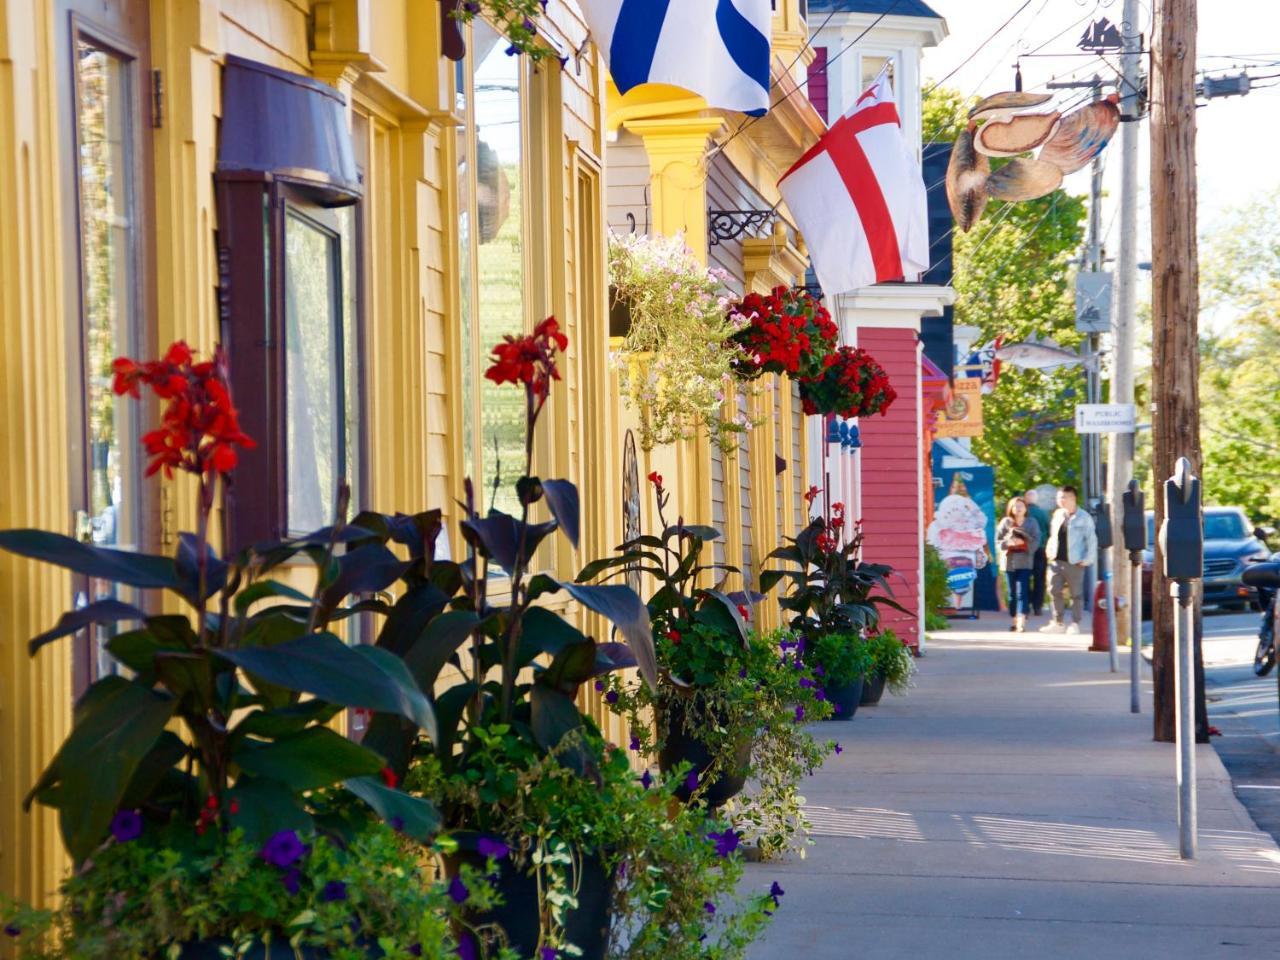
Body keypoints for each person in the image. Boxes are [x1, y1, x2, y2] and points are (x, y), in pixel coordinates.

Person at [1040, 485, 1098, 634]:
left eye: (1063, 497)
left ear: (1073, 498)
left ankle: (1075, 623)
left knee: (1076, 594)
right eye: (1059, 497)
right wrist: (1049, 551)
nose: (1060, 500)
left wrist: (1087, 559)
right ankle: (1057, 622)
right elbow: (1053, 536)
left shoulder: (1084, 517)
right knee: (1054, 590)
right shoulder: (1058, 515)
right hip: (1056, 560)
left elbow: (1091, 540)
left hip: (1075, 561)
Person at [997, 496, 1040, 632]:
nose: (1019, 508)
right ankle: (1014, 619)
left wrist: (1024, 543)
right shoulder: (1005, 522)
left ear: (1026, 508)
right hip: (1009, 562)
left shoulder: (1031, 522)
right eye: (1016, 506)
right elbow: (998, 541)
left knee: (1022, 592)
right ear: (1011, 508)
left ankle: (1021, 621)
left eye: (1021, 505)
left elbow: (1037, 539)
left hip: (1025, 561)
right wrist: (1008, 543)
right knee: (1012, 594)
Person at [1024, 488, 1050, 616]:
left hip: (1025, 549)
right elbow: (1049, 530)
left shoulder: (1023, 512)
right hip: (1040, 548)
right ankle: (1038, 606)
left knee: (1025, 576)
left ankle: (1026, 604)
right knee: (1040, 578)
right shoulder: (1043, 513)